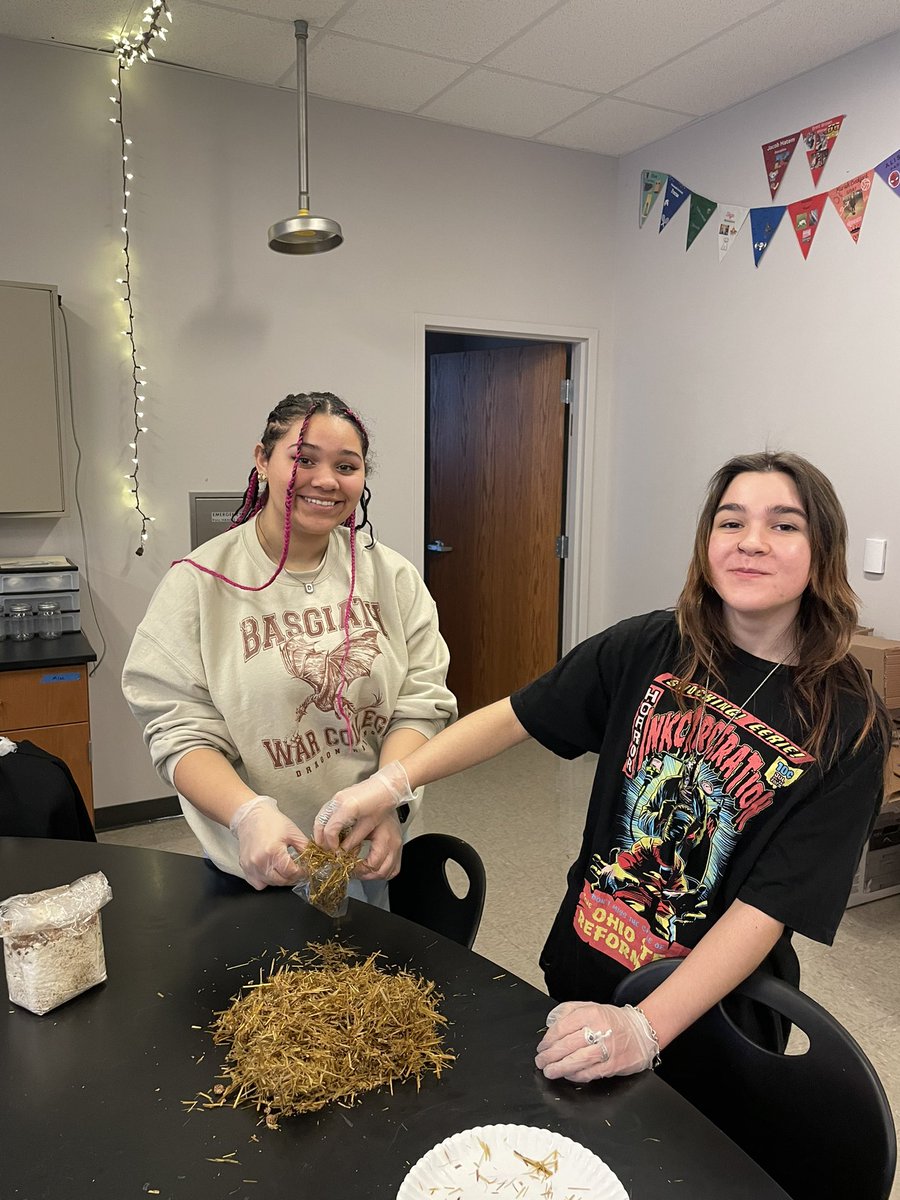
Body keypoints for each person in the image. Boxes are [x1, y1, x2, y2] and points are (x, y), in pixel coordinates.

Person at [314, 450, 889, 1079]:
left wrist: (647, 1026)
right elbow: (514, 716)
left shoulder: (848, 721)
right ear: (707, 542)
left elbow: (767, 908)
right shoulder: (649, 645)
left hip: (711, 1018)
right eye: (730, 522)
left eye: (784, 525)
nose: (751, 542)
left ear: (821, 549)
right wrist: (389, 783)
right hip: (588, 962)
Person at [122, 392, 456, 902]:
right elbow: (177, 729)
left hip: (364, 848)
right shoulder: (200, 584)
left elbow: (420, 704)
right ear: (262, 459)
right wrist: (247, 813)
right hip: (253, 862)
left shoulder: (392, 577)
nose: (326, 480)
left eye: (347, 465)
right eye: (304, 459)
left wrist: (388, 800)